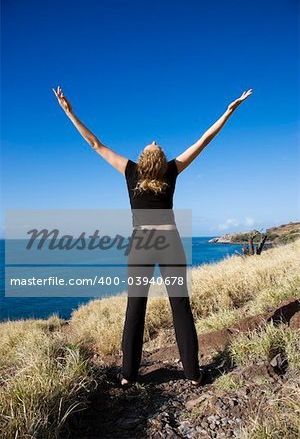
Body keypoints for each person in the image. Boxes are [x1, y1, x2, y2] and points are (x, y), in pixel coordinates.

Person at [53, 86, 253, 387]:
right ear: (158, 161)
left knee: (136, 308)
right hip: (170, 243)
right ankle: (193, 374)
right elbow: (205, 140)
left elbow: (95, 143)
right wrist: (228, 112)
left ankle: (128, 376)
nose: (154, 141)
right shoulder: (172, 171)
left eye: (153, 145)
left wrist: (69, 112)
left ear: (146, 159)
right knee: (180, 308)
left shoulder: (131, 171)